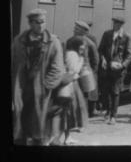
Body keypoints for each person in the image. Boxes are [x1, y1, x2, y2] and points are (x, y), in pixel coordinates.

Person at [12, 9, 66, 145]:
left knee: (39, 126)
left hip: (41, 91)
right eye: (38, 22)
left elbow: (58, 69)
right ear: (30, 24)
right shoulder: (19, 41)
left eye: (43, 22)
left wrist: (46, 86)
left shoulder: (53, 42)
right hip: (21, 88)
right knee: (20, 121)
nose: (41, 25)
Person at [98, 17, 131, 125]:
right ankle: (107, 112)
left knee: (115, 92)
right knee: (106, 91)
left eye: (118, 24)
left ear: (122, 25)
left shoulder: (126, 37)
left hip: (118, 70)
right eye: (114, 23)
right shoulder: (107, 34)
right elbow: (101, 50)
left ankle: (113, 116)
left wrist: (122, 66)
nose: (116, 26)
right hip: (107, 67)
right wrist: (102, 59)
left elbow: (130, 55)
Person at [65, 21, 99, 118]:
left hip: (84, 72)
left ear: (83, 31)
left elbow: (95, 59)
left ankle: (82, 118)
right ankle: (75, 117)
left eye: (77, 29)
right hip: (73, 71)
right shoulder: (70, 40)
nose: (74, 30)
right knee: (73, 94)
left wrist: (91, 71)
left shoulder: (89, 43)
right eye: (75, 28)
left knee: (84, 96)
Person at [59, 36, 89, 145]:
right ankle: (59, 137)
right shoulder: (72, 55)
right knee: (68, 111)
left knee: (69, 112)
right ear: (76, 45)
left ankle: (67, 137)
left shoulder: (72, 53)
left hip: (72, 84)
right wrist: (81, 60)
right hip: (70, 85)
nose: (83, 48)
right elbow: (74, 70)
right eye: (82, 46)